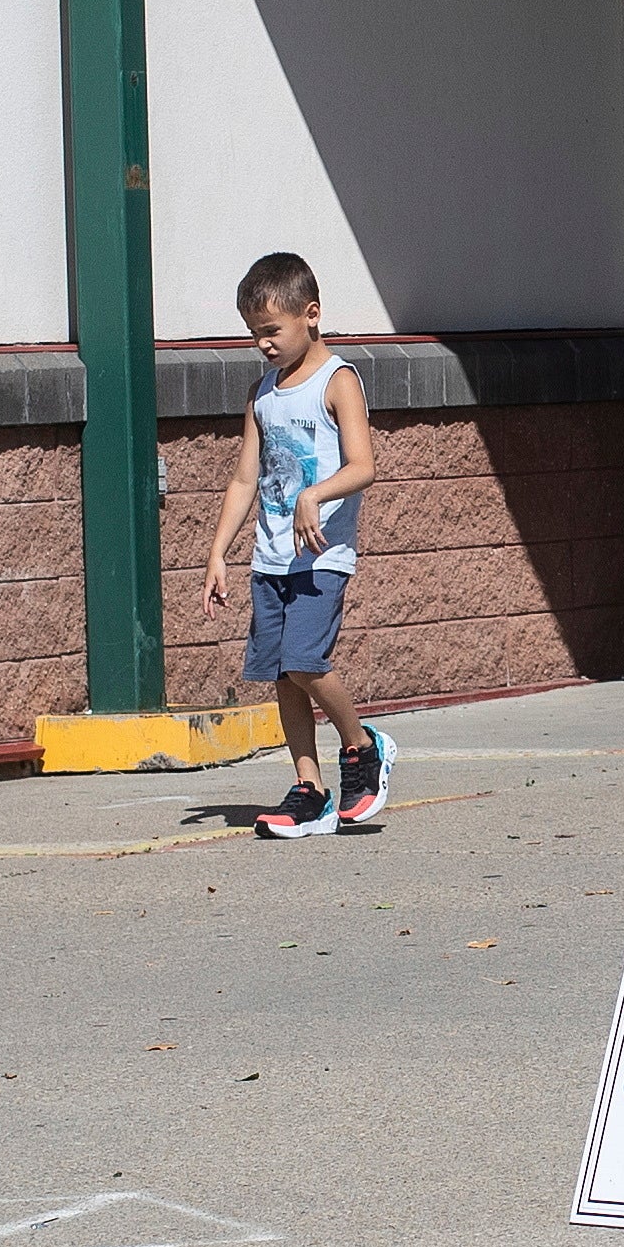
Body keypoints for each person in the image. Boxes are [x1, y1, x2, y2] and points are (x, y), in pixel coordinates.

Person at [202, 252, 397, 838]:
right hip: (271, 558)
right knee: (283, 677)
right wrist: (218, 552)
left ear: (310, 315)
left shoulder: (337, 382)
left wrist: (315, 495)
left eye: (271, 331)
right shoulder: (262, 395)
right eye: (253, 334)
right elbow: (245, 479)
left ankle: (364, 749)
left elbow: (363, 465)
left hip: (322, 556)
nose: (262, 344)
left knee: (305, 661)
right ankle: (309, 790)